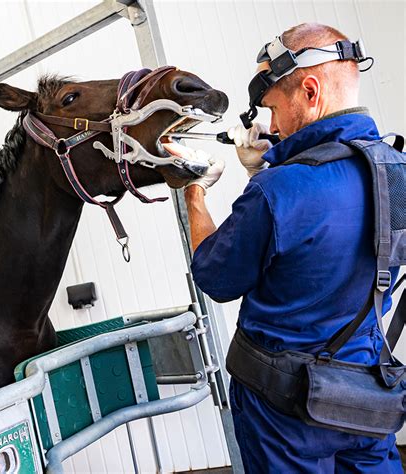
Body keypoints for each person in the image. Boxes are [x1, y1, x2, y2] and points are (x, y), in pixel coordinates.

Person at [163, 23, 403, 473]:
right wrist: (264, 171)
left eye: (273, 109)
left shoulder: (279, 191)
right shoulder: (399, 174)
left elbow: (216, 276)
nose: (272, 127)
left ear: (310, 91)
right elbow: (321, 239)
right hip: (366, 398)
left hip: (282, 412)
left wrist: (194, 194)